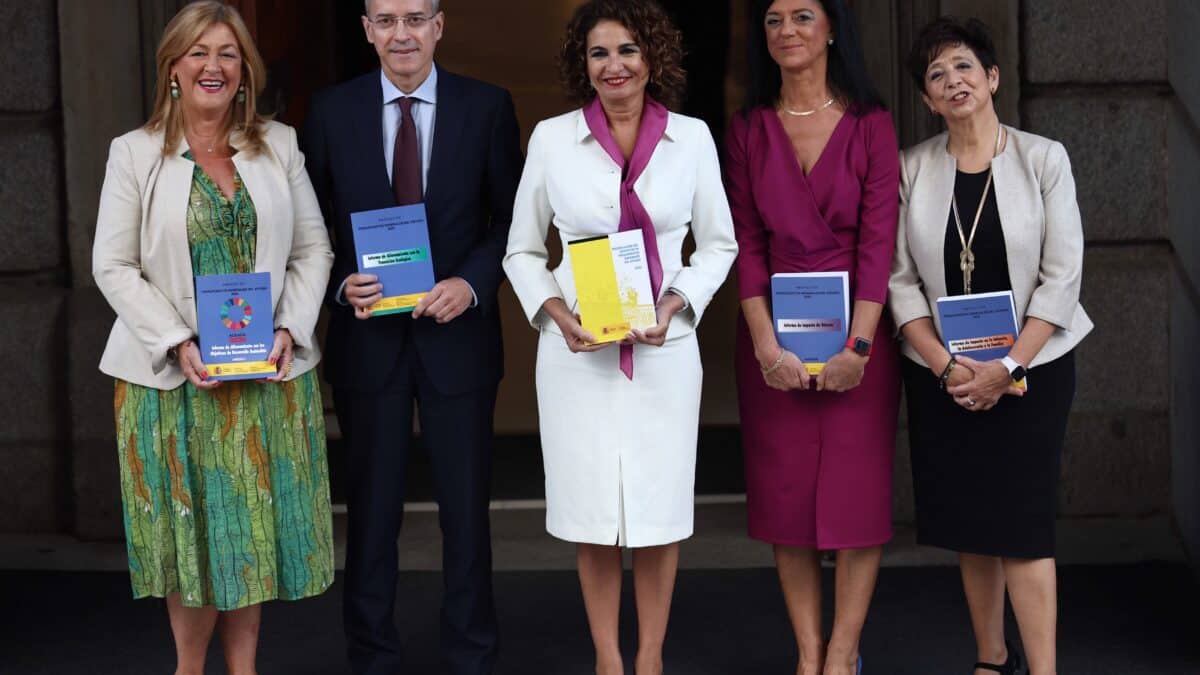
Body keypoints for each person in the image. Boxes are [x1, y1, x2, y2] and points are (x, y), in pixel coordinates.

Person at [91, 2, 335, 673]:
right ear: (173, 67)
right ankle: (189, 669)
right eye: (198, 52)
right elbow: (111, 264)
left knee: (247, 529)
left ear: (245, 71)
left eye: (228, 53)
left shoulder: (278, 144)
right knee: (195, 536)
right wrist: (177, 340)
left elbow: (313, 248)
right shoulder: (135, 153)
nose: (213, 66)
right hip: (175, 380)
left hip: (262, 373)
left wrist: (291, 326)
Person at [503, 2, 737, 673]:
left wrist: (676, 303)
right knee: (593, 514)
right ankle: (609, 658)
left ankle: (652, 655)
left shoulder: (691, 139)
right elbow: (521, 250)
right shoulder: (552, 140)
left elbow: (720, 243)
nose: (615, 66)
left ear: (653, 58)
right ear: (584, 63)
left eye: (628, 50)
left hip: (664, 350)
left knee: (660, 513)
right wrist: (555, 310)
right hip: (578, 356)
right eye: (600, 53)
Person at [300, 0, 523, 672]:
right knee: (369, 517)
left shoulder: (486, 106)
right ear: (366, 29)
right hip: (369, 345)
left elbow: (512, 217)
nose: (403, 33)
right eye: (387, 19)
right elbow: (308, 229)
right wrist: (342, 282)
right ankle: (371, 655)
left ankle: (472, 654)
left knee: (466, 516)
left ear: (439, 25)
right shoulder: (330, 112)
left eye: (416, 18)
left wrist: (473, 283)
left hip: (459, 340)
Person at [889, 16, 1093, 675]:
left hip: (1033, 366)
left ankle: (1043, 668)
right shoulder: (911, 169)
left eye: (964, 67)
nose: (953, 81)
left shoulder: (1043, 158)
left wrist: (1004, 368)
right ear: (926, 98)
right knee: (972, 525)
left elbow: (1062, 278)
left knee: (1024, 526)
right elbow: (900, 283)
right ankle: (990, 657)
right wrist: (952, 367)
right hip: (943, 372)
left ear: (992, 77)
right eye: (936, 74)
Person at [723, 1, 901, 673]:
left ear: (832, 28)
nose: (788, 31)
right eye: (773, 19)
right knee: (787, 498)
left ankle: (843, 654)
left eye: (803, 15)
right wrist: (767, 346)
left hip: (861, 338)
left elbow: (880, 243)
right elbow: (745, 241)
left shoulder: (872, 124)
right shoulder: (746, 130)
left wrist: (858, 348)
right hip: (773, 341)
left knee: (857, 500)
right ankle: (807, 655)